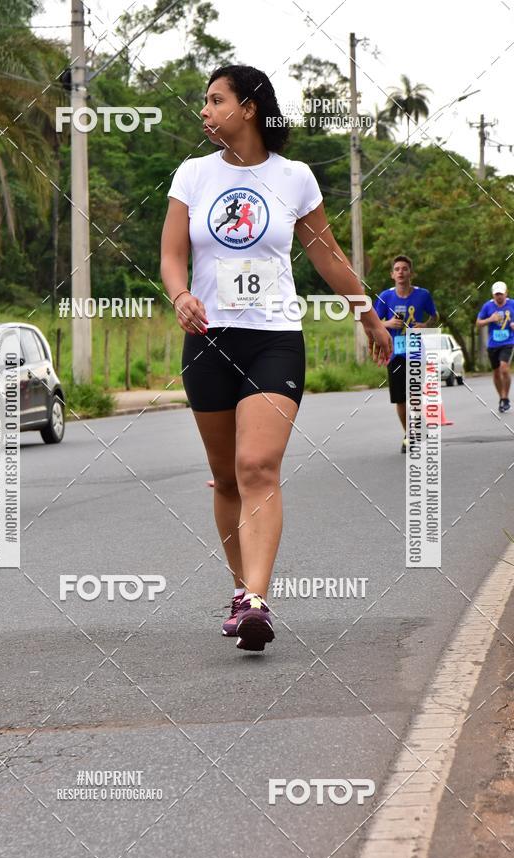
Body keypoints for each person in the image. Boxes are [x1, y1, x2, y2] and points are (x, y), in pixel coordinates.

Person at [160, 64, 392, 652]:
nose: (205, 111)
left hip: (274, 338)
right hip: (209, 340)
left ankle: (257, 601)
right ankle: (241, 591)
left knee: (257, 466)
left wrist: (367, 315)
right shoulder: (193, 174)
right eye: (205, 101)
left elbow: (328, 255)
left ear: (249, 108)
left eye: (216, 100)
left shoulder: (294, 177)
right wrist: (181, 295)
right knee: (225, 477)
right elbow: (171, 255)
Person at [374, 256, 437, 453]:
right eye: (397, 269)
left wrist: (425, 325)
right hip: (395, 354)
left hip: (416, 352)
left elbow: (435, 316)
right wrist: (388, 323)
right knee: (400, 399)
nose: (401, 272)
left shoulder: (423, 295)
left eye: (404, 269)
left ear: (411, 273)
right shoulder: (385, 297)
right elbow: (373, 323)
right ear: (392, 275)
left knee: (415, 395)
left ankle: (414, 433)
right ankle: (408, 433)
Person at [476, 281, 514, 412]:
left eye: (501, 294)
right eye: (497, 294)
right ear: (493, 295)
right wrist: (490, 319)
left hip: (508, 342)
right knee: (497, 372)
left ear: (506, 293)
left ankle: (506, 397)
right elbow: (478, 323)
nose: (499, 296)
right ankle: (502, 398)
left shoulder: (512, 304)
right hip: (493, 344)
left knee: (504, 368)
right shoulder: (488, 306)